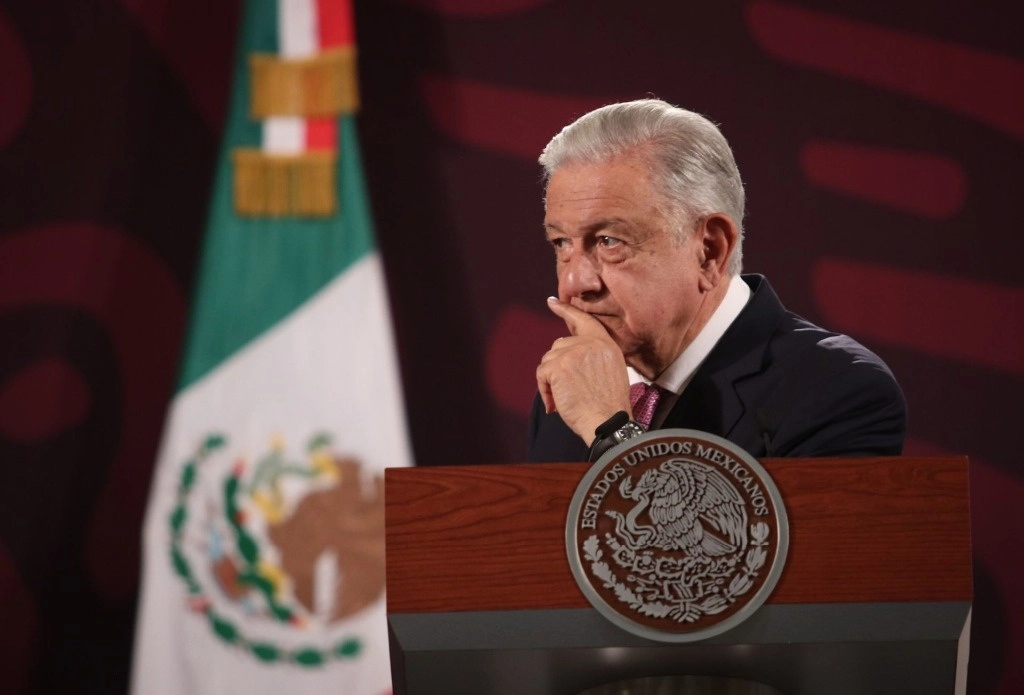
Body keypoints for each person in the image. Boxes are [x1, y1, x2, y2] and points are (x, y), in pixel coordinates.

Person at [528, 99, 906, 462]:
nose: (575, 282)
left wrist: (610, 432)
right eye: (561, 243)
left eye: (610, 241)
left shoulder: (833, 388)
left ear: (710, 250)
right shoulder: (573, 388)